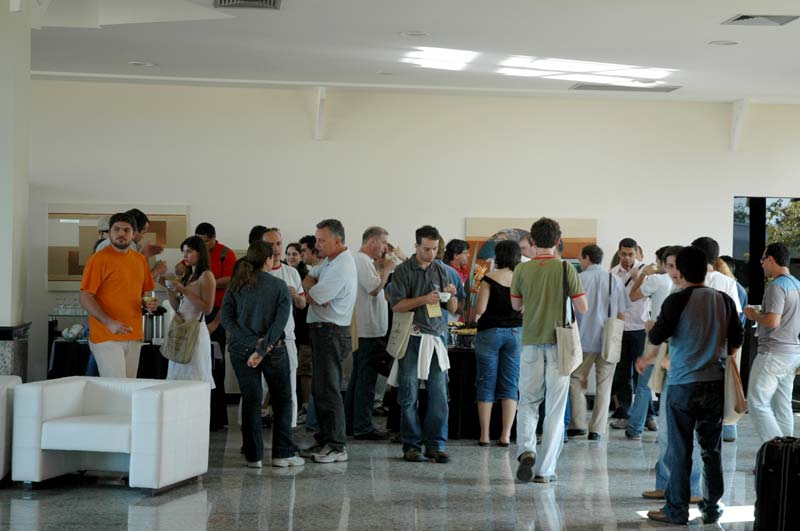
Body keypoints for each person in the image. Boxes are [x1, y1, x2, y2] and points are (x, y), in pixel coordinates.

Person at [637, 246, 743, 525]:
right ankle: (712, 507)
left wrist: (649, 347)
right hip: (714, 384)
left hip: (683, 384)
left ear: (681, 272)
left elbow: (657, 336)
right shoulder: (723, 300)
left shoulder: (676, 300)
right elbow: (735, 342)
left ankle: (677, 510)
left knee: (680, 449)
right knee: (712, 450)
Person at [511, 217, 587, 483]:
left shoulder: (522, 270)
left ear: (532, 241)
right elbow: (583, 307)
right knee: (555, 407)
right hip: (559, 345)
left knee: (528, 401)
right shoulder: (566, 269)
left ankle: (526, 449)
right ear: (557, 241)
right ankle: (545, 471)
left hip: (530, 342)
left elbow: (516, 306)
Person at [221, 240, 301, 469]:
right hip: (274, 350)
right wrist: (263, 347)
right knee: (282, 400)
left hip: (240, 350)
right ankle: (281, 455)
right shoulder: (279, 286)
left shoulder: (236, 284)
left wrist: (251, 343)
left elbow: (227, 319)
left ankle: (253, 457)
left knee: (251, 400)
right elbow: (280, 323)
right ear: (268, 260)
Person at [640, 246, 704, 506]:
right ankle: (666, 484)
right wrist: (650, 356)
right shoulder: (675, 294)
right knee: (667, 432)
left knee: (685, 433)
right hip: (675, 369)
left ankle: (691, 488)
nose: (673, 271)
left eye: (677, 266)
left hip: (687, 372)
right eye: (669, 266)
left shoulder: (694, 297)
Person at [389, 225, 458, 463]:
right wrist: (424, 299)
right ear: (416, 246)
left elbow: (453, 308)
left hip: (436, 336)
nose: (431, 253)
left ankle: (436, 444)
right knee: (408, 394)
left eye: (435, 249)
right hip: (411, 336)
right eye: (427, 249)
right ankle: (411, 445)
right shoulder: (403, 271)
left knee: (439, 393)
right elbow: (397, 305)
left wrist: (451, 295)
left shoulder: (441, 270)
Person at [300, 219, 358, 464]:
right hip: (321, 330)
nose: (317, 245)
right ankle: (325, 439)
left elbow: (312, 296)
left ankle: (336, 446)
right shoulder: (329, 261)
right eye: (316, 239)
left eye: (322, 240)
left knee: (329, 390)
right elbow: (308, 280)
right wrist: (313, 290)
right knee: (320, 389)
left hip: (331, 332)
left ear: (337, 240)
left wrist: (313, 292)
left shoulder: (342, 266)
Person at [79, 212, 158, 378]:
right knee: (116, 386)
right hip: (106, 335)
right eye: (116, 229)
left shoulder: (140, 259)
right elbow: (85, 296)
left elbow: (145, 293)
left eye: (126, 230)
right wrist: (108, 322)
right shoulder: (98, 259)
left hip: (134, 334)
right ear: (110, 232)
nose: (121, 234)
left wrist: (149, 303)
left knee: (128, 388)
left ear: (133, 234)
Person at [568, 244, 627, 441]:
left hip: (582, 339)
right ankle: (597, 429)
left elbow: (570, 311)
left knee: (576, 379)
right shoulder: (614, 280)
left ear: (587, 258)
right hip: (608, 339)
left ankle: (578, 424)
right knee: (604, 385)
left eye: (581, 259)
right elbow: (621, 313)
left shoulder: (579, 278)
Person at [744, 242, 800, 445]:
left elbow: (773, 321)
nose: (761, 264)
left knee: (756, 401)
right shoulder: (796, 285)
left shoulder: (777, 286)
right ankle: (789, 454)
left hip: (773, 352)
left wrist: (753, 314)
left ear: (770, 259)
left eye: (762, 260)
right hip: (792, 352)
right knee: (782, 405)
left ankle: (776, 448)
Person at [345, 226, 395, 440]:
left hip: (370, 329)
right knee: (366, 379)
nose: (385, 247)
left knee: (360, 377)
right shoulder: (361, 260)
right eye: (383, 242)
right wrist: (388, 269)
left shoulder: (365, 262)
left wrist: (382, 267)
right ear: (372, 242)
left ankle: (351, 422)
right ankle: (362, 426)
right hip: (367, 330)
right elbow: (374, 289)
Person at [691, 236, 743, 443]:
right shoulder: (728, 283)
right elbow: (735, 320)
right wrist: (732, 351)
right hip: (720, 348)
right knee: (717, 398)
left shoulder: (688, 281)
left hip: (693, 350)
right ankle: (720, 435)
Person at [473, 239, 523, 447]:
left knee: (486, 382)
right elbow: (524, 308)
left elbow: (480, 309)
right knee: (510, 384)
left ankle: (484, 435)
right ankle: (506, 436)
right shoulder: (521, 279)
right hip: (515, 333)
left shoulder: (489, 278)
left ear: (498, 256)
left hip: (490, 333)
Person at [622, 246, 674, 439]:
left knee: (644, 386)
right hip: (677, 339)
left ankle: (635, 428)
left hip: (657, 336)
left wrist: (643, 274)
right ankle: (668, 432)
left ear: (662, 262)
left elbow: (632, 295)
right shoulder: (680, 282)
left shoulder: (657, 280)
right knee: (670, 387)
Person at [261, 228, 307, 428]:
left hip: (286, 337)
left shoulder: (291, 272)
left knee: (289, 384)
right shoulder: (256, 274)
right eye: (270, 244)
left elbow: (302, 304)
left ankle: (289, 428)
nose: (276, 248)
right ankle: (256, 423)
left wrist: (295, 295)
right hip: (262, 338)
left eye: (278, 243)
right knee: (260, 386)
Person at [195, 222, 237, 431]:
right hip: (198, 312)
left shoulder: (225, 254)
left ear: (213, 239)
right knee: (198, 364)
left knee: (215, 365)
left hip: (218, 313)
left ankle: (217, 418)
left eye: (204, 242)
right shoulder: (196, 254)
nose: (201, 246)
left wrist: (209, 282)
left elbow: (231, 281)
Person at [609, 237, 652, 429]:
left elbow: (649, 295)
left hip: (640, 328)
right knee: (622, 374)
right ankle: (625, 414)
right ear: (619, 253)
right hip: (620, 328)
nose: (627, 258)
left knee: (642, 375)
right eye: (624, 254)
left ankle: (648, 415)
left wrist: (637, 278)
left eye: (630, 254)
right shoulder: (612, 273)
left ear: (636, 253)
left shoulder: (646, 271)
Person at [162, 236, 216, 388]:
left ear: (200, 253)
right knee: (177, 375)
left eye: (189, 251)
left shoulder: (206, 275)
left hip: (195, 330)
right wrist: (169, 289)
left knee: (195, 376)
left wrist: (184, 290)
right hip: (182, 328)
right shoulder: (189, 275)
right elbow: (178, 307)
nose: (185, 256)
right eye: (184, 252)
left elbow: (208, 308)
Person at [96, 208, 167, 277]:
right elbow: (133, 280)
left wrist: (144, 255)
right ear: (135, 231)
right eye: (143, 233)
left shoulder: (126, 245)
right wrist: (156, 271)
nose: (142, 237)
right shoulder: (117, 246)